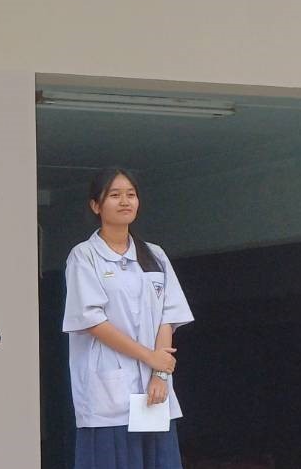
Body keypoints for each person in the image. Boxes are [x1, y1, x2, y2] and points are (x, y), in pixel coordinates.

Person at [62, 167, 194, 469]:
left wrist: (159, 374)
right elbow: (92, 321)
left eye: (131, 195)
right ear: (96, 205)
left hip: (153, 389)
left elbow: (168, 315)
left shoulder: (155, 255)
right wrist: (150, 357)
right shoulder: (84, 256)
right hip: (106, 392)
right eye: (115, 195)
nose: (125, 201)